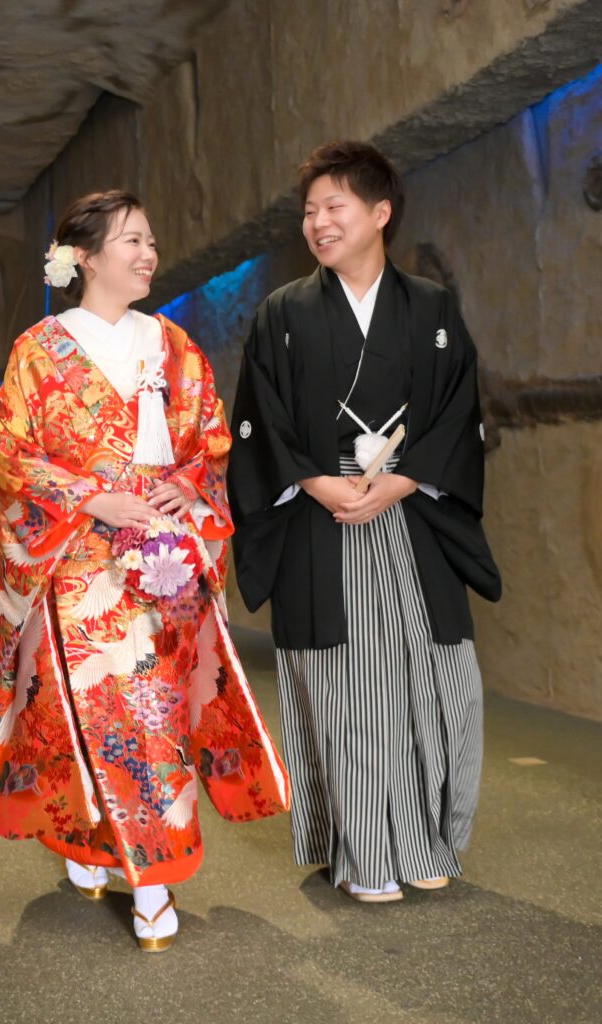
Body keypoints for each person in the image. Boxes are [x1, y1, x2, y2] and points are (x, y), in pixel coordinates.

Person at [0, 190, 290, 951]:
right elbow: (11, 451)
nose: (148, 254)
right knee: (89, 716)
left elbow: (211, 443)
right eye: (130, 242)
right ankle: (122, 862)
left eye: (151, 241)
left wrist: (182, 487)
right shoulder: (40, 350)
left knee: (156, 717)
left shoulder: (176, 345)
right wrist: (96, 497)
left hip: (164, 555)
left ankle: (135, 861)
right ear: (83, 257)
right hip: (79, 558)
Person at [228, 142, 502, 903]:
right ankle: (364, 851)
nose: (317, 223)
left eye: (334, 208)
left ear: (380, 214)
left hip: (412, 515)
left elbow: (458, 412)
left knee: (431, 681)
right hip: (321, 516)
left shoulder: (434, 309)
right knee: (344, 687)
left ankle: (423, 839)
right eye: (310, 211)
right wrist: (315, 481)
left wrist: (408, 478)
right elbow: (258, 422)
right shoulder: (282, 314)